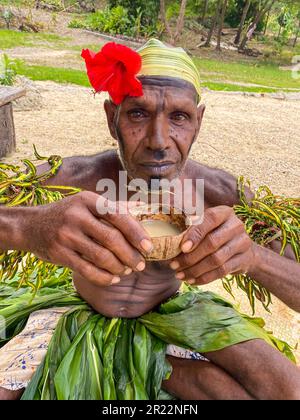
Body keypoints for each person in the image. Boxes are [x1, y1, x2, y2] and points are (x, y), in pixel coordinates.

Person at [0, 39, 299, 400]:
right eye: (138, 114)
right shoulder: (76, 178)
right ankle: (148, 365)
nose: (159, 141)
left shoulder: (219, 193)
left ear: (198, 122)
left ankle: (155, 363)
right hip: (78, 311)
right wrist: (26, 227)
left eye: (179, 117)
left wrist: (253, 257)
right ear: (113, 118)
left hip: (176, 317)